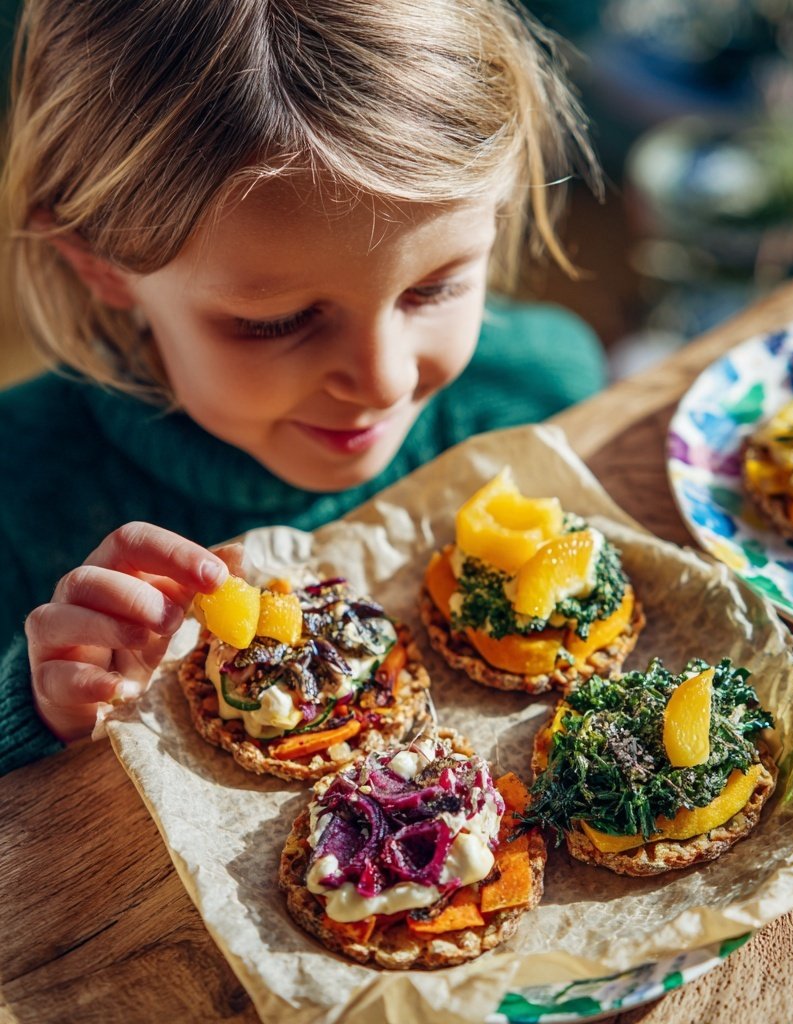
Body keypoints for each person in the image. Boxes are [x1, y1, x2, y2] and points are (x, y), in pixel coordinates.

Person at [0, 0, 605, 774]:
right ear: (100, 264)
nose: (382, 380)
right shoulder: (19, 492)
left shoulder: (538, 389)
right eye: (277, 322)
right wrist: (40, 706)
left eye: (433, 289)